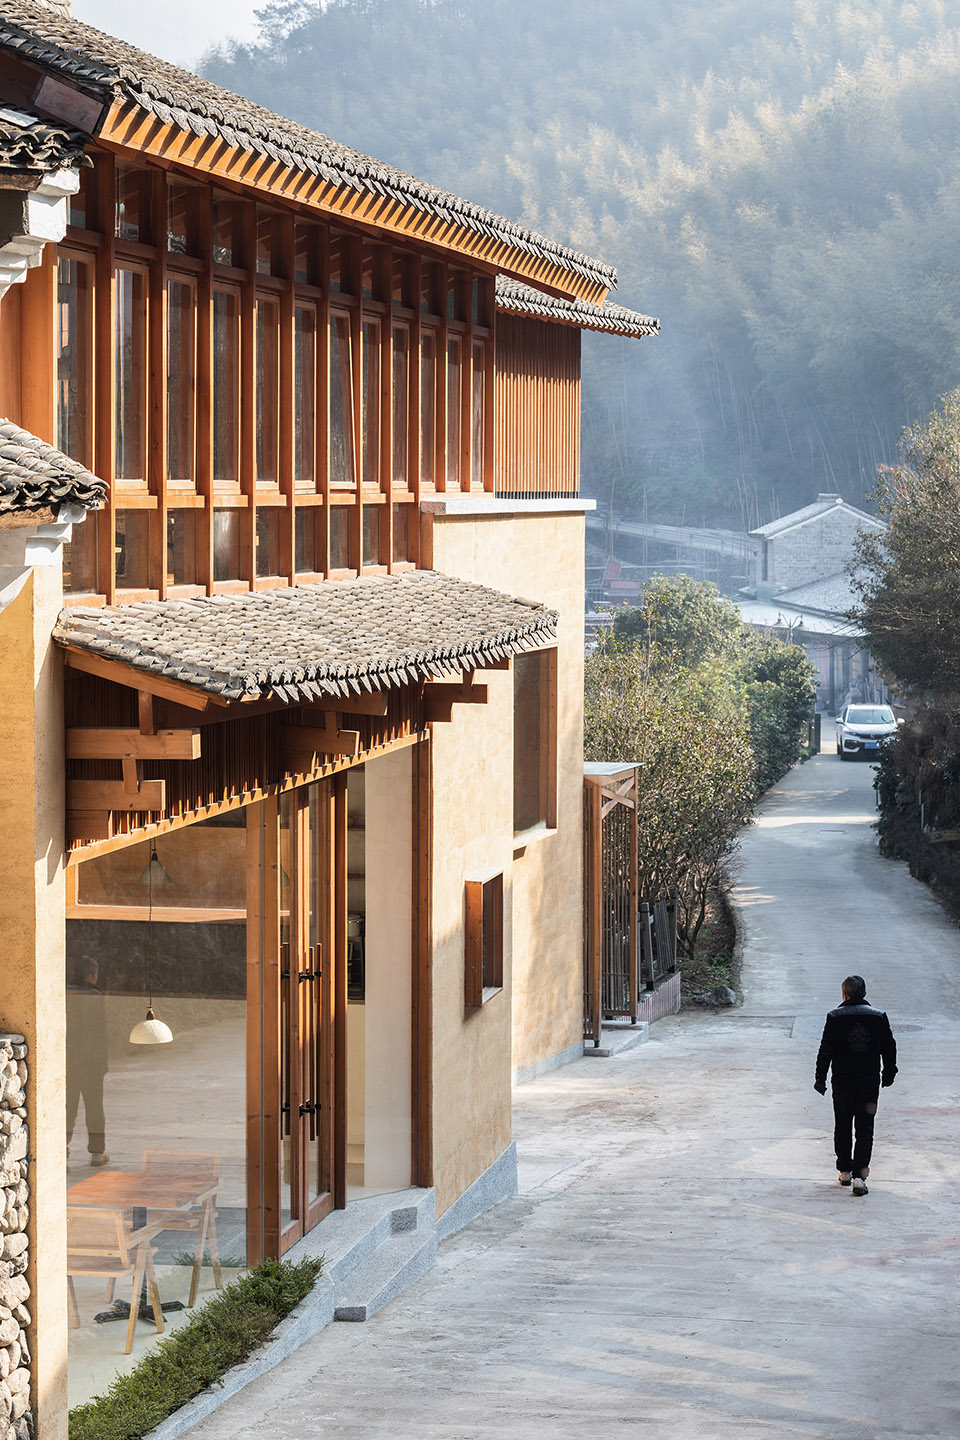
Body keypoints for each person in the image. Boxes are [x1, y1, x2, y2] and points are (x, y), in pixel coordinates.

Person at [814, 974, 897, 1195]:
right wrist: (889, 1073)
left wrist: (820, 1078)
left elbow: (826, 1051)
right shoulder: (878, 1017)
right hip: (869, 1082)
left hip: (842, 1082)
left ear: (844, 994)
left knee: (842, 1125)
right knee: (865, 1128)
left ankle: (844, 1171)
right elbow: (889, 1047)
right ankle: (860, 1177)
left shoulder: (834, 1017)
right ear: (864, 994)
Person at [66, 957, 110, 1167]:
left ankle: (61, 1151)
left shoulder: (64, 993)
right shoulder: (95, 996)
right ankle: (97, 1152)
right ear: (90, 975)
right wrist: (103, 1063)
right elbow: (100, 1032)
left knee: (67, 1107)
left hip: (68, 1060)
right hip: (91, 1062)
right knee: (94, 1107)